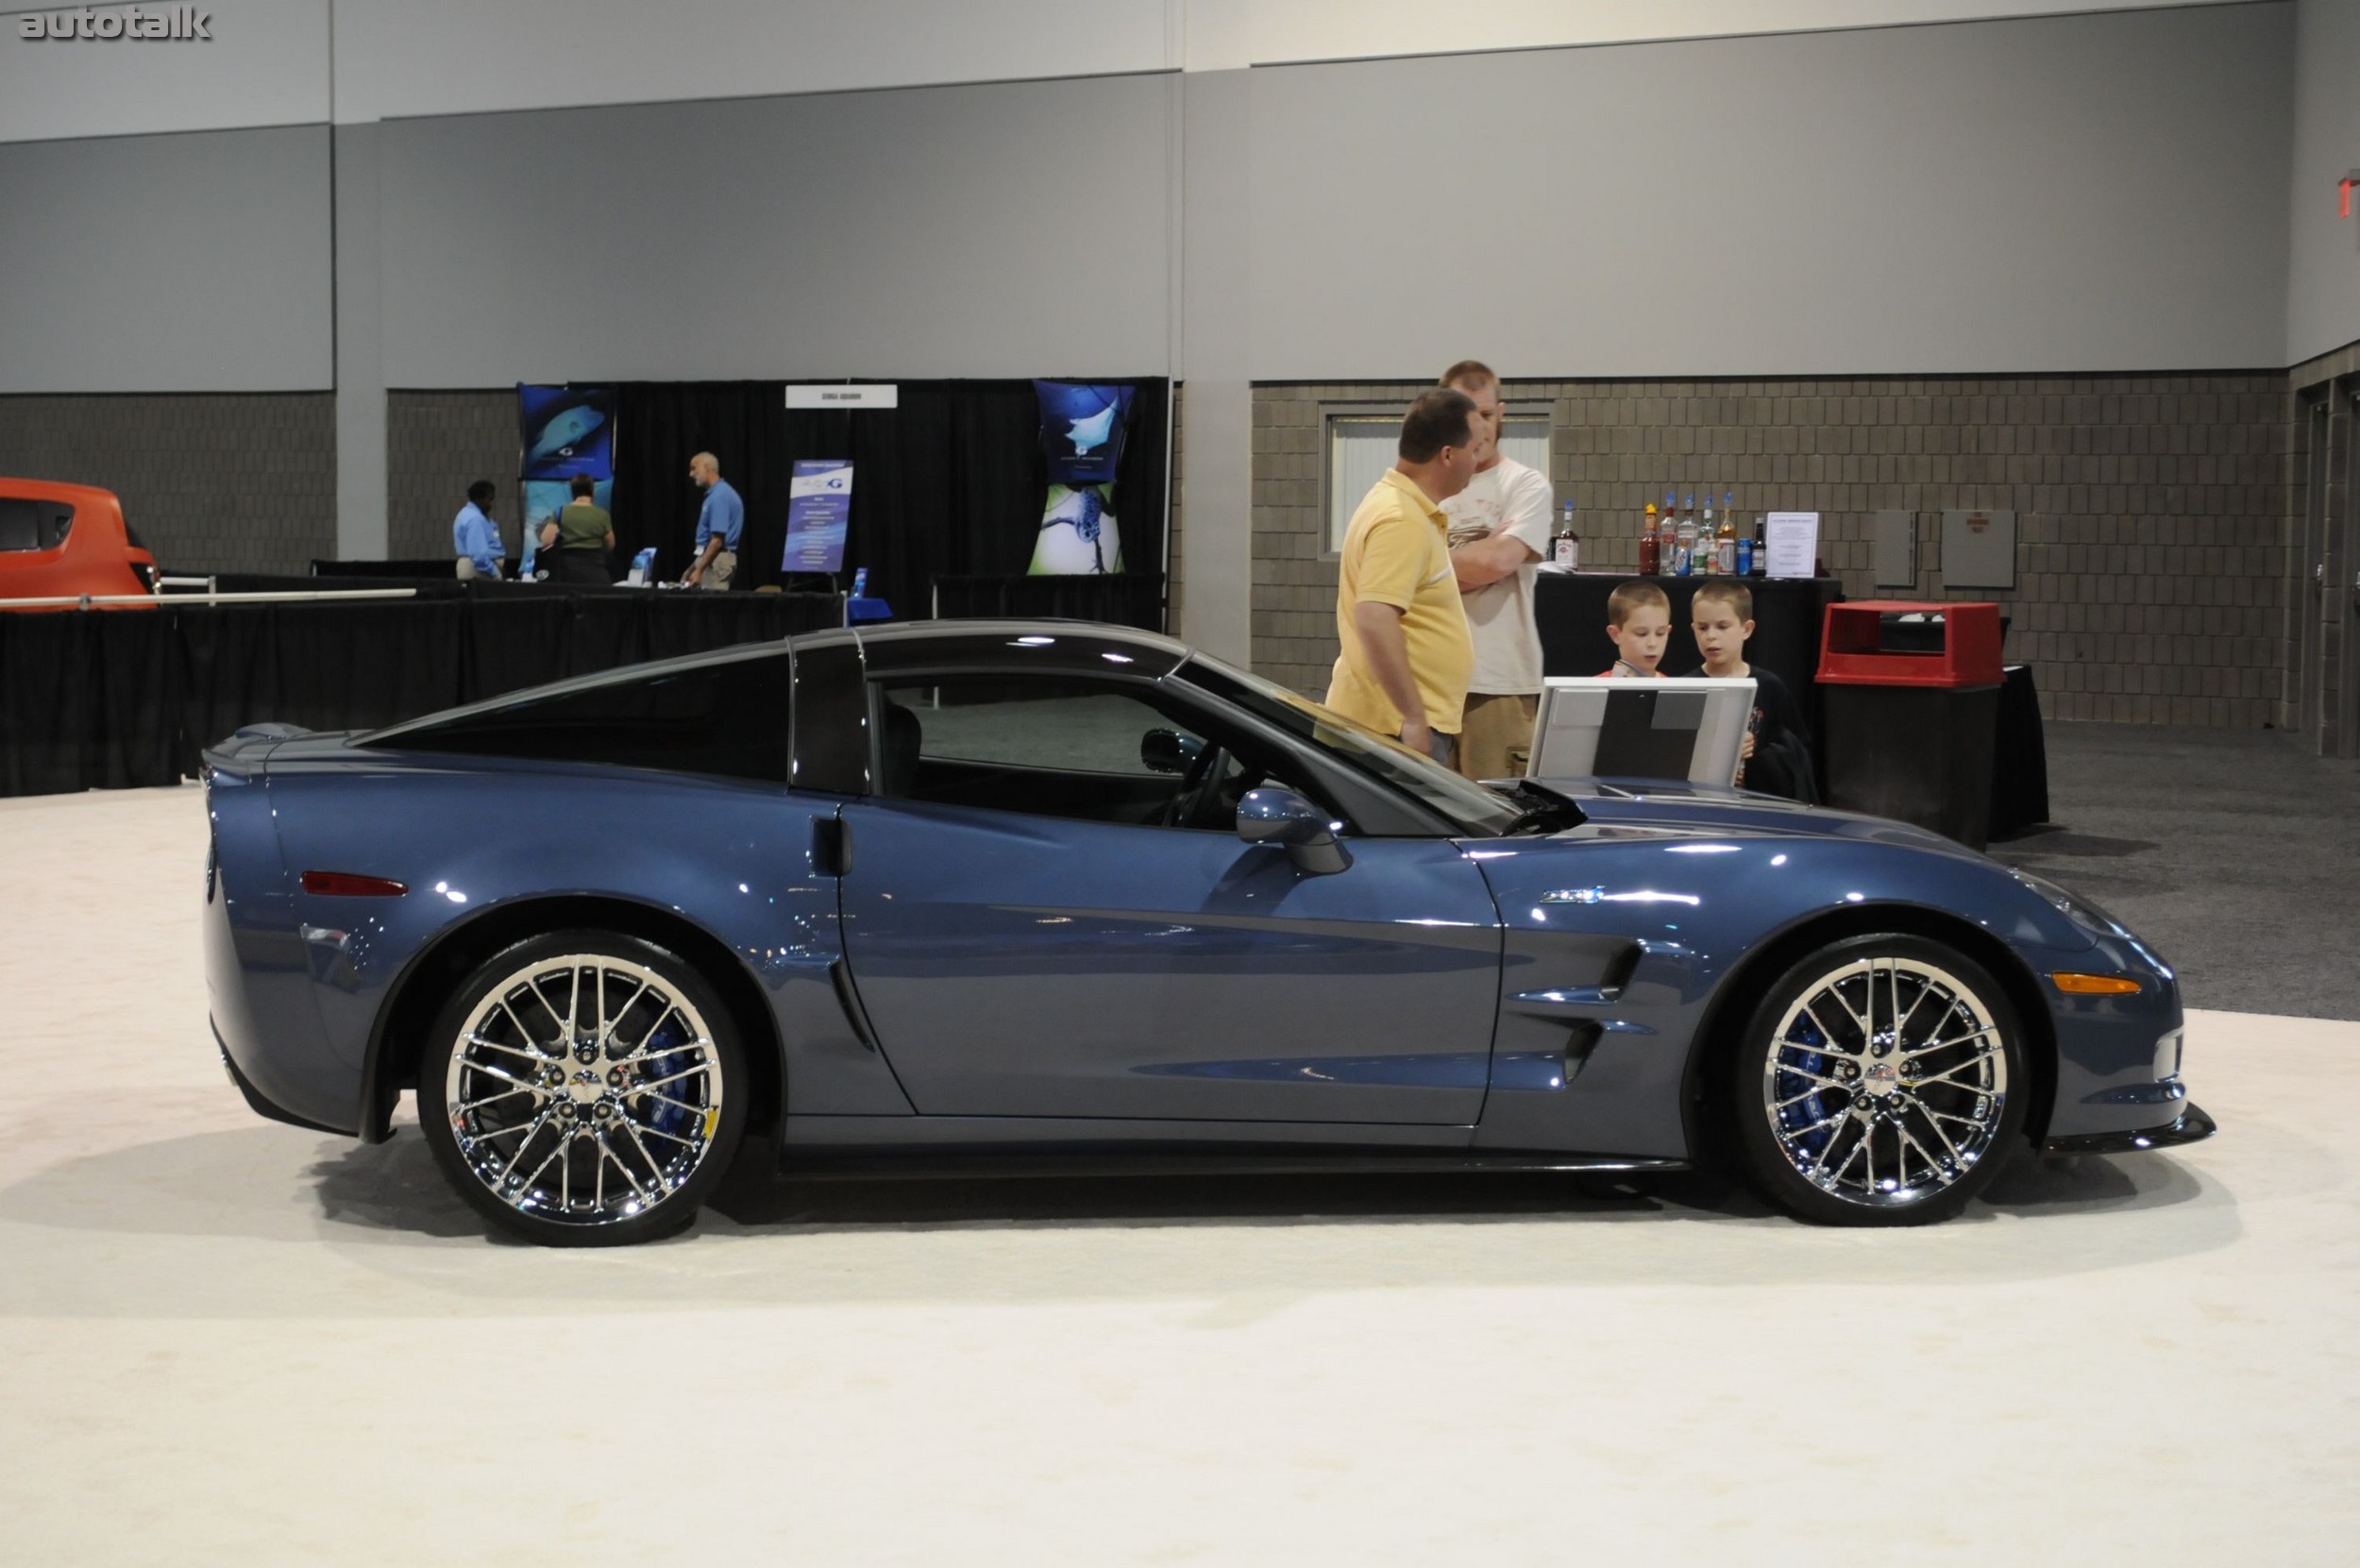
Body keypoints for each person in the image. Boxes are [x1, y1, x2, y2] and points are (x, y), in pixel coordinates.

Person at [1325, 388, 1483, 766]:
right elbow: (1375, 616)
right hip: (1388, 731)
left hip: (1389, 725)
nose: (1477, 463)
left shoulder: (1404, 508)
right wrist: (1413, 718)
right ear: (1447, 455)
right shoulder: (1401, 519)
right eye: (1475, 450)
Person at [1439, 360, 1555, 781]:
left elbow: (1498, 561)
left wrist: (1428, 568)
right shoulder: (1427, 488)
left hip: (1502, 683)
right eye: (1467, 415)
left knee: (1498, 819)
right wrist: (1484, 554)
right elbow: (1399, 576)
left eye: (1486, 415)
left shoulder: (1525, 485)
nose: (1479, 427)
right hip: (1432, 685)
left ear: (1500, 414)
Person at [1683, 579, 1818, 801]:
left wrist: (1752, 764)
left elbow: (1797, 755)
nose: (1711, 636)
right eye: (1702, 627)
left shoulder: (1769, 686)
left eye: (1722, 626)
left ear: (1746, 629)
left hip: (1758, 807)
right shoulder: (1687, 687)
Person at [539, 476, 615, 587]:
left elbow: (546, 541)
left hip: (567, 572)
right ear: (592, 491)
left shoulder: (560, 512)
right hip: (596, 572)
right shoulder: (602, 514)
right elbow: (611, 544)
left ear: (572, 492)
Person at [683, 452, 741, 590]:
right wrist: (692, 568)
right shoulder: (715, 494)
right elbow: (709, 543)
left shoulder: (719, 496)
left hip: (716, 562)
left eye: (694, 468)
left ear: (708, 468)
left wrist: (699, 570)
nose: (691, 474)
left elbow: (717, 541)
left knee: (711, 609)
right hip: (711, 560)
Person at [1600, 581, 1672, 678]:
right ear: (1615, 634)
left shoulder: (1673, 688)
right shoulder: (1595, 687)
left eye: (1660, 633)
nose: (1652, 644)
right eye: (1641, 634)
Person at [451, 481, 502, 581]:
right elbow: (478, 554)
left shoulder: (468, 514)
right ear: (480, 499)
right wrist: (496, 573)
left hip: (480, 565)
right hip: (480, 569)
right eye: (490, 499)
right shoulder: (475, 519)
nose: (491, 504)